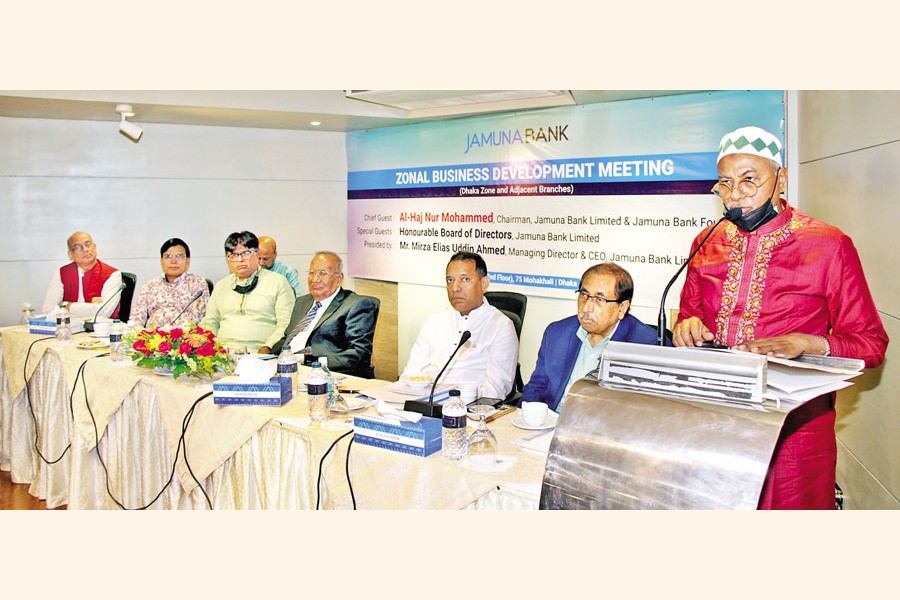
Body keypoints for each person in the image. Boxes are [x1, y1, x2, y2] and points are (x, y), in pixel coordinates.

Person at [673, 125, 889, 510]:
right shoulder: (706, 242)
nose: (735, 195)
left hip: (794, 436)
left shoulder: (829, 245)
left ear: (781, 180)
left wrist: (807, 343)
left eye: (749, 180)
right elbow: (688, 315)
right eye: (725, 183)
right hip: (715, 421)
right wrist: (686, 328)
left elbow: (871, 344)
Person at [520, 262, 660, 413]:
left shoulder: (646, 346)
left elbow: (644, 412)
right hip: (552, 421)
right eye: (584, 295)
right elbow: (536, 387)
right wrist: (526, 417)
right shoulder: (557, 333)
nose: (586, 308)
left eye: (600, 299)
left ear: (622, 308)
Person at [400, 252, 518, 400]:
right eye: (450, 280)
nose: (455, 288)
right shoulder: (434, 321)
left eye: (465, 279)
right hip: (424, 401)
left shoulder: (501, 326)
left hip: (468, 405)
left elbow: (496, 389)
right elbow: (411, 373)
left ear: (483, 283)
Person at [273, 251, 380, 378]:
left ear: (339, 278)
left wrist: (307, 359)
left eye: (323, 273)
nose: (315, 279)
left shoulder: (356, 305)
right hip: (286, 368)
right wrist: (267, 353)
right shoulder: (302, 302)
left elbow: (359, 354)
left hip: (326, 374)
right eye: (311, 273)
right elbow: (287, 338)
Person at [199, 231, 294, 354]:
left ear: (257, 254)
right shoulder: (221, 286)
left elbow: (286, 324)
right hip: (223, 354)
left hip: (260, 353)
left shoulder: (278, 282)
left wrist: (268, 347)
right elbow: (210, 323)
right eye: (233, 255)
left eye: (246, 253)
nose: (240, 260)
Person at [41, 231, 124, 319]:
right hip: (69, 325)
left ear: (94, 247)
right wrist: (91, 308)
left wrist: (66, 305)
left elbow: (103, 311)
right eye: (78, 247)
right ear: (70, 255)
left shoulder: (112, 274)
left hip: (101, 326)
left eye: (88, 244)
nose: (85, 249)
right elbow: (48, 310)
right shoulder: (62, 273)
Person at [131, 238, 210, 328]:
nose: (173, 261)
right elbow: (136, 318)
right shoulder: (150, 285)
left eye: (179, 256)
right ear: (162, 261)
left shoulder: (197, 283)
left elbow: (197, 318)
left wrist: (168, 332)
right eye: (168, 256)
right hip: (151, 335)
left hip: (184, 335)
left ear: (187, 261)